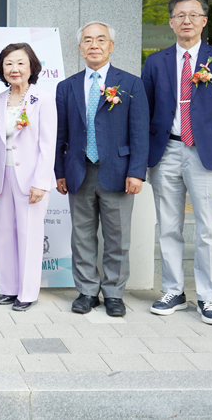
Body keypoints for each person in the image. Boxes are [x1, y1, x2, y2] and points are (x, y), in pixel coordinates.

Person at [142, 0, 212, 325]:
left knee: (208, 229)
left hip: (207, 153)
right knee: (168, 227)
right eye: (179, 16)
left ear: (204, 21)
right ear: (171, 23)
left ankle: (209, 297)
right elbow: (143, 113)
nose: (186, 21)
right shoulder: (156, 61)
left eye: (193, 15)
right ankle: (173, 290)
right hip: (167, 150)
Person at [55, 21, 148, 317]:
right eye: (87, 40)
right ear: (80, 47)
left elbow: (140, 131)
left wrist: (136, 171)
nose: (94, 45)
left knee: (118, 237)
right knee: (82, 236)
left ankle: (114, 293)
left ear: (111, 46)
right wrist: (59, 172)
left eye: (100, 40)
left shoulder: (131, 84)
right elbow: (60, 134)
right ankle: (86, 291)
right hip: (78, 172)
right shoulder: (67, 86)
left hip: (119, 173)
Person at [0, 43, 56, 311]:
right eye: (8, 63)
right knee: (5, 233)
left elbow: (49, 145)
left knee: (29, 234)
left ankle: (27, 292)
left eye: (20, 63)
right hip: (3, 175)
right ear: (2, 69)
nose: (14, 69)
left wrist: (41, 181)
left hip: (32, 179)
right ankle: (9, 288)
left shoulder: (43, 99)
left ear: (31, 67)